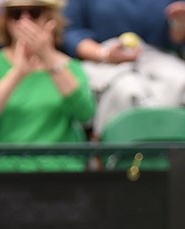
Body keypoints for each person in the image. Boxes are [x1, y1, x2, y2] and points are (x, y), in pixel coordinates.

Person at [0, 0, 95, 172]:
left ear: (50, 17)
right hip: (3, 174)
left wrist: (48, 58)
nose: (24, 20)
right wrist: (17, 73)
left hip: (60, 173)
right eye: (15, 13)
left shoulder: (71, 67)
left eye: (34, 12)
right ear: (6, 20)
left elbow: (85, 114)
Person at [61, 0, 185, 136]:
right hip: (102, 60)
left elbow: (176, 38)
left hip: (156, 57)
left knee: (181, 82)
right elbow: (71, 32)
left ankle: (169, 150)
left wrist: (179, 24)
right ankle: (110, 151)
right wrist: (103, 54)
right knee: (127, 90)